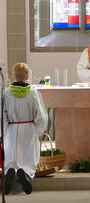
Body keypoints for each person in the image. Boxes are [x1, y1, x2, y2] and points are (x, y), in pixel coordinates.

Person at [3, 63, 48, 195]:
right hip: (28, 128)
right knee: (29, 159)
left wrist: (4, 132)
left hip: (12, 128)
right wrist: (37, 131)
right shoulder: (33, 93)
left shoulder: (6, 93)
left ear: (13, 76)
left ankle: (9, 171)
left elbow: (2, 115)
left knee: (11, 156)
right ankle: (27, 174)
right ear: (27, 76)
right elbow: (41, 116)